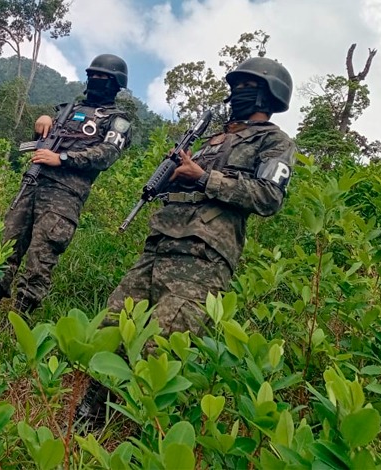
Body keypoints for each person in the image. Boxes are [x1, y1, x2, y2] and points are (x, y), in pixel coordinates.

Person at [76, 56, 296, 427]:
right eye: (235, 86)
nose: (236, 93)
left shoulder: (274, 142)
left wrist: (202, 177)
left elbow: (268, 197)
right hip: (161, 240)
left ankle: (135, 434)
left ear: (267, 95)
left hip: (202, 255)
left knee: (159, 345)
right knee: (113, 326)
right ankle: (89, 415)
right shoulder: (213, 137)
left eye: (246, 87)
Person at [0, 54, 133, 315]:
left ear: (116, 84)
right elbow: (43, 141)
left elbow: (106, 154)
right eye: (93, 75)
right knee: (5, 250)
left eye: (104, 78)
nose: (96, 81)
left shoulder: (118, 120)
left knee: (40, 260)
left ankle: (16, 329)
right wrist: (42, 122)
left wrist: (61, 158)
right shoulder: (67, 110)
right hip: (33, 182)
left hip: (64, 196)